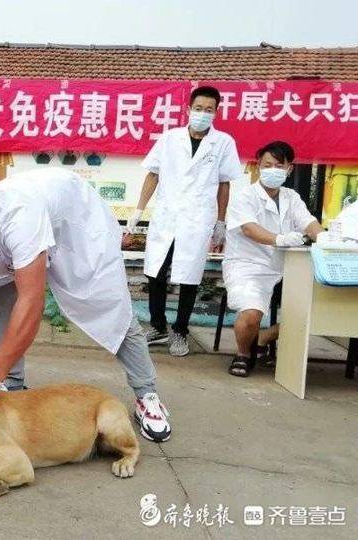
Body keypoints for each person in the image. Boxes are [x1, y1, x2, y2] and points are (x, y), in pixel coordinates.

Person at [0, 168, 172, 443]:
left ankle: (146, 394)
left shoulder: (16, 214)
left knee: (110, 308)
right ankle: (13, 386)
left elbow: (31, 302)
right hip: (26, 233)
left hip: (77, 227)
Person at [126, 86, 243, 356]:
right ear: (189, 109)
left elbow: (224, 184)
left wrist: (221, 221)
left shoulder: (223, 142)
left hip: (197, 219)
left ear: (216, 112)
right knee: (155, 271)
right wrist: (139, 210)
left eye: (209, 110)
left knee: (190, 277)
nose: (203, 114)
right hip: (167, 215)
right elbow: (153, 174)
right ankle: (158, 326)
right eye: (199, 108)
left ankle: (180, 331)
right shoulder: (170, 138)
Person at [223, 141, 323, 376]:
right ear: (258, 166)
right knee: (250, 315)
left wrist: (326, 239)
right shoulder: (244, 196)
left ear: (289, 169)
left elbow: (308, 223)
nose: (272, 170)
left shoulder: (292, 197)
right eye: (267, 165)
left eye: (279, 166)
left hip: (288, 266)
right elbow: (249, 229)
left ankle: (265, 338)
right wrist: (280, 239)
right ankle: (244, 354)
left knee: (318, 307)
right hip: (248, 265)